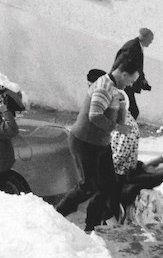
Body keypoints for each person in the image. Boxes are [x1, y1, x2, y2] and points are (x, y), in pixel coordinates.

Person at [55, 62, 139, 232]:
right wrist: (117, 128)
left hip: (101, 143)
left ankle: (91, 226)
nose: (131, 85)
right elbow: (95, 117)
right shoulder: (103, 87)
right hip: (84, 142)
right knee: (88, 186)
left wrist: (122, 107)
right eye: (131, 80)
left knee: (109, 184)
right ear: (123, 74)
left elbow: (119, 121)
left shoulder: (115, 90)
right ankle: (56, 215)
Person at [112, 28, 154, 119]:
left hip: (126, 83)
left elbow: (136, 67)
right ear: (145, 38)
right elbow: (122, 65)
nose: (150, 43)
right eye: (150, 40)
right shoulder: (132, 47)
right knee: (132, 111)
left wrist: (143, 80)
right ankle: (124, 130)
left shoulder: (136, 46)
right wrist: (117, 80)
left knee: (130, 111)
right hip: (123, 84)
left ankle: (123, 129)